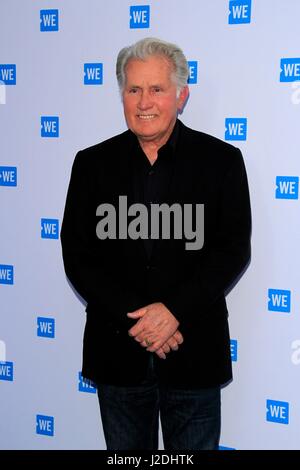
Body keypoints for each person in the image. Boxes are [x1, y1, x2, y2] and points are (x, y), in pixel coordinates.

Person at [61, 37, 251, 450]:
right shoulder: (91, 165)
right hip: (117, 352)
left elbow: (232, 249)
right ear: (122, 95)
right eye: (133, 89)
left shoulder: (222, 161)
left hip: (194, 350)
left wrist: (173, 312)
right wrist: (142, 322)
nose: (144, 101)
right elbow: (79, 257)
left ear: (181, 96)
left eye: (157, 89)